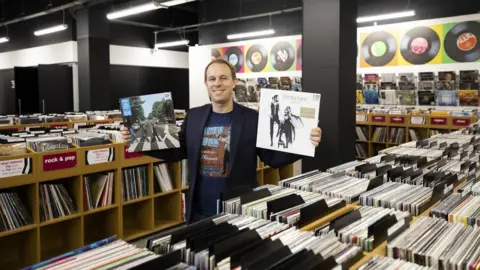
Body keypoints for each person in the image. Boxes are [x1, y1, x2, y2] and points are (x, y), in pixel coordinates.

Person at [121, 59, 322, 224]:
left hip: (239, 210)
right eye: (212, 78)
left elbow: (272, 158)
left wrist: (306, 144)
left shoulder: (253, 119)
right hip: (199, 212)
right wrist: (138, 140)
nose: (217, 83)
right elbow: (177, 151)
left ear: (234, 82)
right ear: (207, 84)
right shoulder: (195, 116)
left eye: (224, 78)